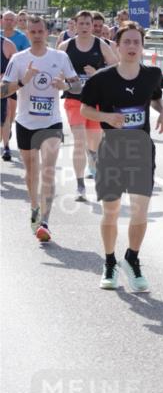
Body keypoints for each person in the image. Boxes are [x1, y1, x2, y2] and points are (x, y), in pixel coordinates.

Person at [79, 21, 163, 291]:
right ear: (117, 46)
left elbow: (155, 97)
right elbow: (85, 110)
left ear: (142, 47)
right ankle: (109, 262)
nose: (132, 46)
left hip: (141, 150)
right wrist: (107, 117)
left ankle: (132, 259)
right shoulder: (102, 79)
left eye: (136, 42)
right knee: (111, 210)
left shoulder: (152, 74)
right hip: (112, 149)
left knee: (140, 209)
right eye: (127, 42)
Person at [0, 15, 81, 241]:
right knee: (31, 171)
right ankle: (35, 207)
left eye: (40, 31)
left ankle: (44, 221)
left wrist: (65, 86)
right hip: (25, 123)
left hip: (51, 123)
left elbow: (78, 86)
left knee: (48, 169)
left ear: (47, 33)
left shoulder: (60, 57)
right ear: (27, 33)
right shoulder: (18, 59)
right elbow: (2, 91)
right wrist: (23, 81)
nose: (37, 35)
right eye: (33, 32)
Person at [58, 10, 118, 200]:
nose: (84, 27)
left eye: (87, 24)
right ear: (75, 25)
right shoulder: (66, 46)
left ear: (93, 26)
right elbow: (56, 69)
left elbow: (116, 67)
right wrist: (63, 80)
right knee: (79, 141)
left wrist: (97, 73)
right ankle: (80, 186)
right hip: (74, 99)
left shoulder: (101, 44)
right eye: (81, 23)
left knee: (94, 143)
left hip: (95, 102)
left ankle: (93, 157)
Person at [1, 10, 30, 160]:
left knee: (8, 113)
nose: (8, 22)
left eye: (11, 19)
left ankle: (6, 143)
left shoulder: (15, 41)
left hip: (8, 83)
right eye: (6, 19)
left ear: (15, 21)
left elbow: (23, 60)